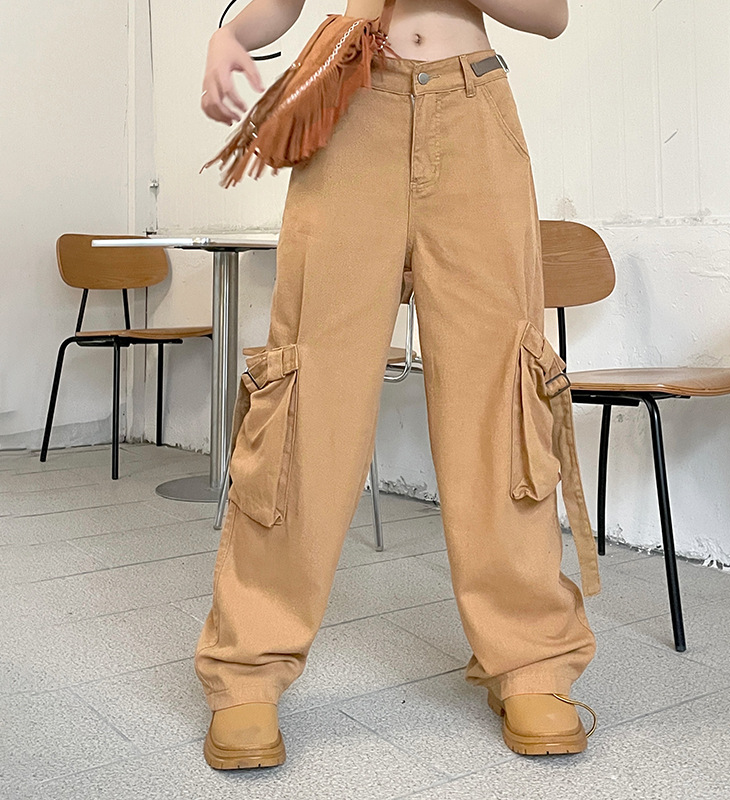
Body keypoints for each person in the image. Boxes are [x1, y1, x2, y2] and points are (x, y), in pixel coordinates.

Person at [196, 0, 601, 771]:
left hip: (473, 111)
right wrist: (228, 36)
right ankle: (247, 667)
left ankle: (530, 661)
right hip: (354, 107)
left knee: (499, 388)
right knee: (309, 391)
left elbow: (550, 15)